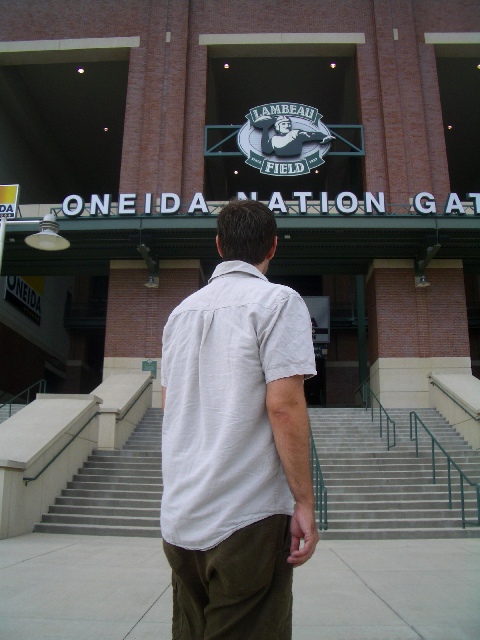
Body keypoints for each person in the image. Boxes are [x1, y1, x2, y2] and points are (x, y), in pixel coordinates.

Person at [160, 199, 319, 640]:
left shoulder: (178, 315)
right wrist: (304, 502)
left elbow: (170, 405)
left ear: (218, 245)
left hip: (180, 519)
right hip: (246, 519)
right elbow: (284, 405)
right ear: (273, 246)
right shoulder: (277, 301)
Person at [255, 115, 334, 157]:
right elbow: (266, 150)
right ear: (277, 126)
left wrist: (324, 137)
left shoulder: (295, 133)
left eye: (288, 123)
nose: (287, 125)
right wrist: (265, 129)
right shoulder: (274, 139)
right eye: (283, 124)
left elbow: (311, 135)